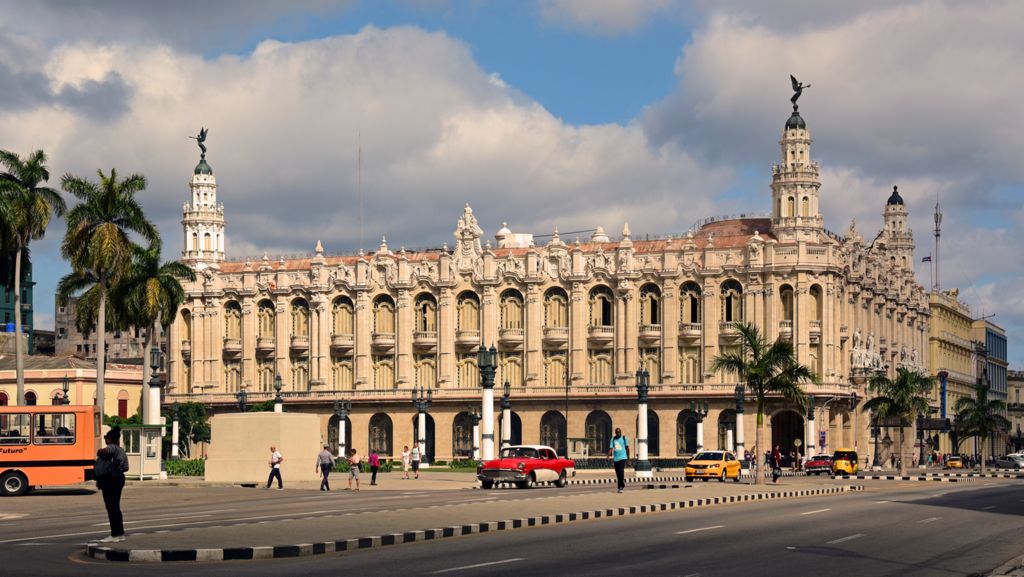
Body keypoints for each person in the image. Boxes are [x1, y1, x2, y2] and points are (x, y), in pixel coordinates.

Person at [94, 426, 129, 542]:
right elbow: (126, 468)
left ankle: (114, 535)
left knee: (111, 507)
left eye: (105, 438)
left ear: (109, 439)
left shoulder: (111, 447)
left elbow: (105, 451)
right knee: (115, 507)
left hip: (110, 480)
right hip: (118, 479)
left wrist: (100, 452)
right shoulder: (121, 450)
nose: (105, 440)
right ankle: (120, 533)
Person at [608, 427, 630, 493]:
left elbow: (627, 448)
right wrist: (608, 456)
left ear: (621, 432)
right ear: (615, 433)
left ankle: (621, 487)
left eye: (619, 432)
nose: (618, 433)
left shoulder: (624, 438)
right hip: (616, 459)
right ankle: (620, 486)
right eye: (617, 432)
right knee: (618, 474)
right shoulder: (613, 439)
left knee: (621, 472)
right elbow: (611, 448)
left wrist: (628, 459)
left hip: (623, 458)